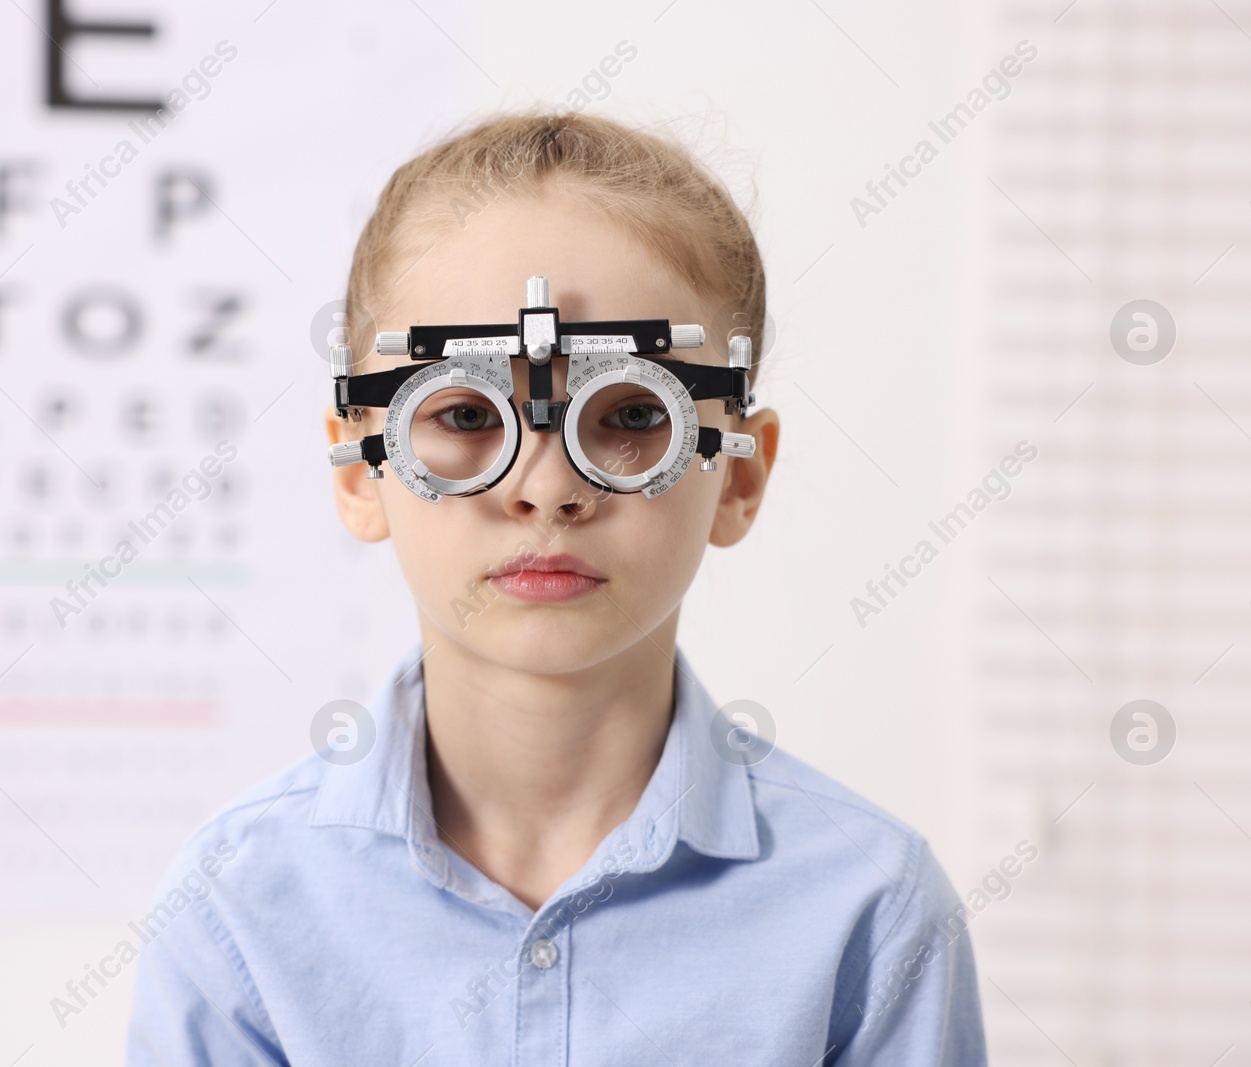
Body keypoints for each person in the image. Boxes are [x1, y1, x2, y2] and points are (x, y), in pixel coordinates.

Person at [125, 109, 986, 1065]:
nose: (545, 488)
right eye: (461, 412)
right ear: (360, 471)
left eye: (629, 414)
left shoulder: (868, 906)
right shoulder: (239, 900)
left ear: (739, 476)